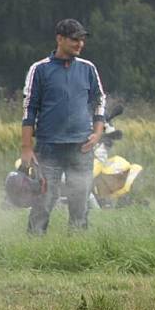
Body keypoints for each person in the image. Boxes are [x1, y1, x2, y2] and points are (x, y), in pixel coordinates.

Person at [21, 18, 106, 234]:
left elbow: (99, 100)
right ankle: (33, 246)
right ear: (60, 39)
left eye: (82, 40)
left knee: (80, 204)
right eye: (74, 39)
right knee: (44, 201)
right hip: (49, 148)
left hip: (82, 148)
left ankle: (76, 250)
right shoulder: (39, 69)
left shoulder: (88, 68)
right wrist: (27, 147)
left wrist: (97, 132)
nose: (80, 44)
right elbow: (29, 109)